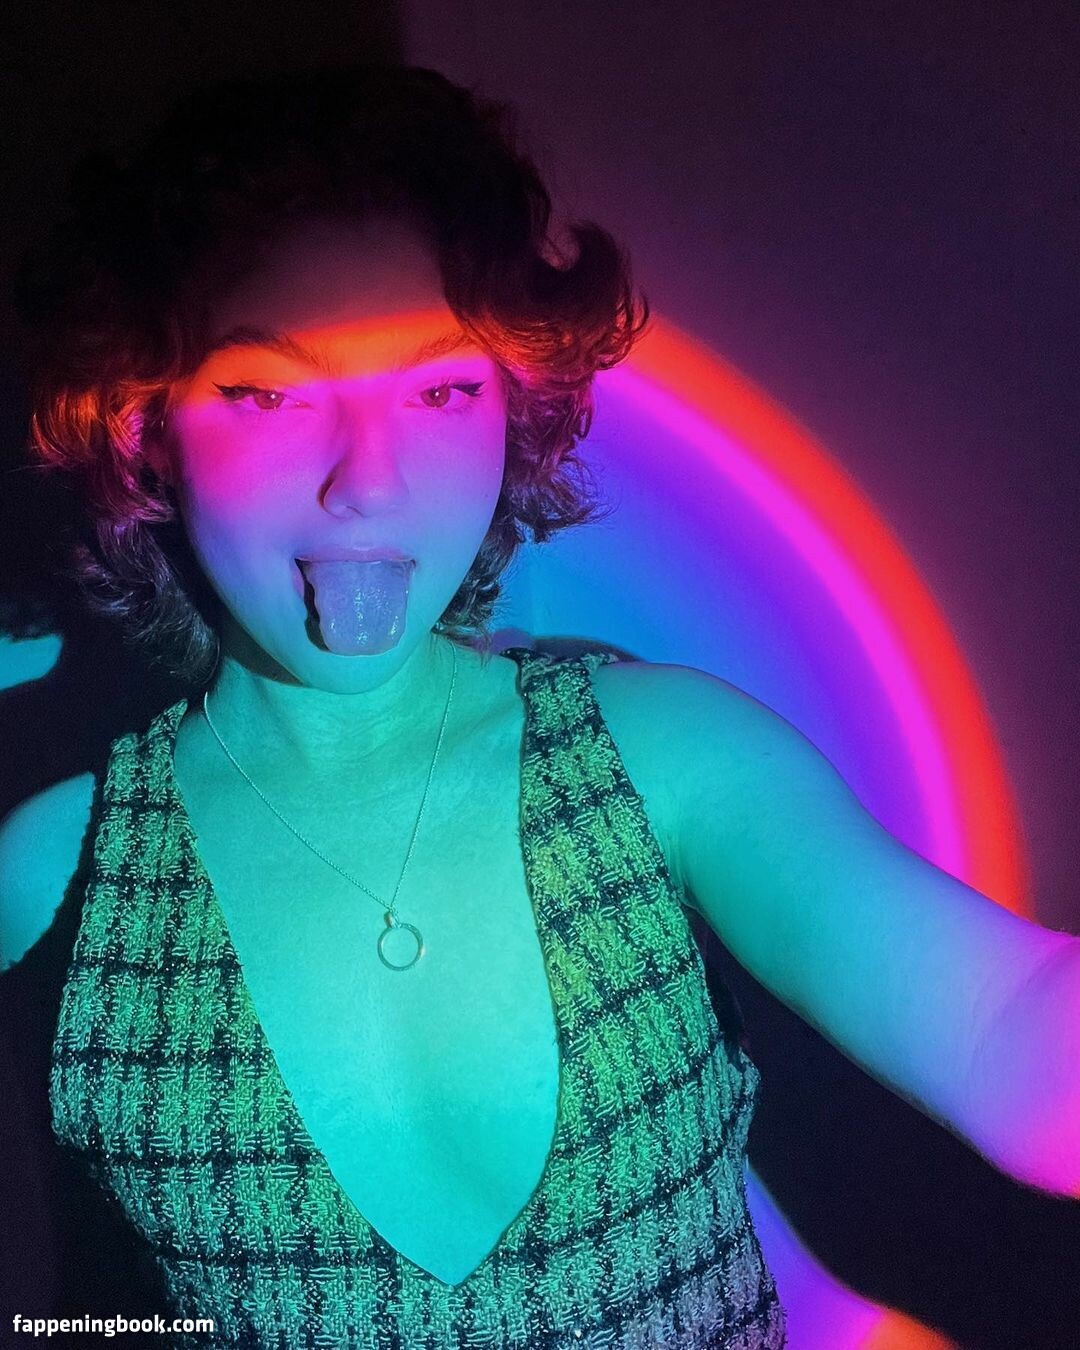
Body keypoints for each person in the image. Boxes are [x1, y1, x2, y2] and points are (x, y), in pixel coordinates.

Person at [1, 62, 1076, 1349]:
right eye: (268, 392)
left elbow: (1009, 1028)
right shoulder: (53, 871)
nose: (370, 482)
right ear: (144, 431)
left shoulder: (661, 751)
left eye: (441, 388)